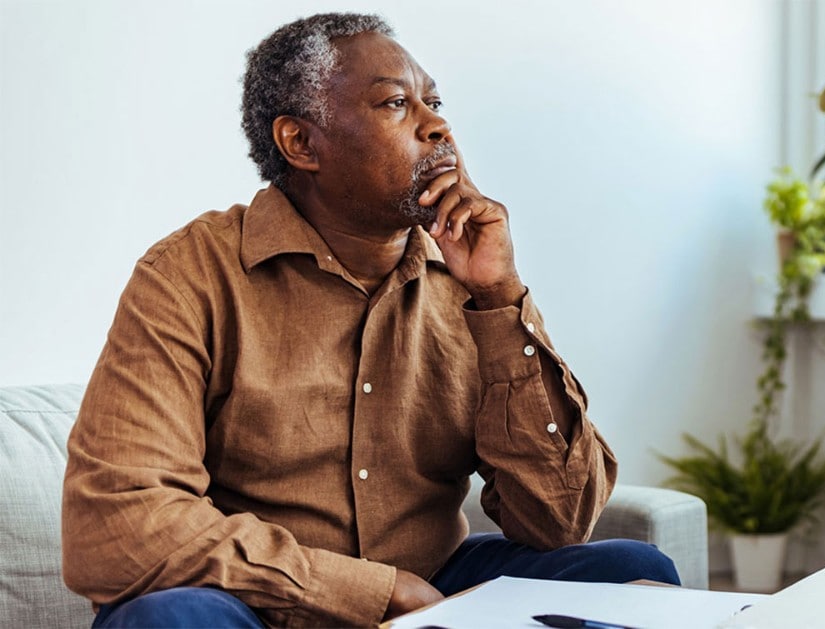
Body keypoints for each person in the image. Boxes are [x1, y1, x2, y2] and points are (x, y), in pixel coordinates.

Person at [61, 12, 678, 628]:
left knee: (629, 571)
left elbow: (559, 521)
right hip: (254, 604)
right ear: (301, 144)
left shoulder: (470, 278)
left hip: (434, 589)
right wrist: (371, 591)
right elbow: (117, 522)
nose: (437, 126)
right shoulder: (190, 275)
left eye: (434, 102)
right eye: (395, 104)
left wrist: (500, 298)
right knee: (173, 620)